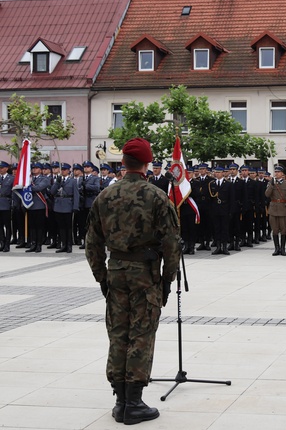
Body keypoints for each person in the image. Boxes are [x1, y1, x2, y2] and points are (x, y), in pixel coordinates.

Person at [85, 138, 180, 425]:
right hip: (145, 274)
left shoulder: (105, 196)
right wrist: (167, 281)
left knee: (118, 333)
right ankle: (133, 402)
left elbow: (92, 243)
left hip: (116, 272)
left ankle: (120, 400)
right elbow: (171, 244)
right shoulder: (156, 196)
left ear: (123, 163)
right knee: (141, 334)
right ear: (147, 163)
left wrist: (102, 277)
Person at [265, 165, 286, 256]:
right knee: (275, 229)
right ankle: (276, 248)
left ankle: (283, 248)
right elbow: (267, 194)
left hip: (283, 208)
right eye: (275, 172)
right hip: (273, 209)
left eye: (278, 172)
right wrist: (272, 185)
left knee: (283, 229)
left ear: (282, 174)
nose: (276, 173)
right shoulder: (271, 183)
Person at [0, 161, 14, 252]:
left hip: (6, 203)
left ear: (6, 168)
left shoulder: (11, 178)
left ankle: (7, 244)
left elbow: (14, 192)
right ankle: (2, 242)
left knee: (7, 225)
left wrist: (13, 204)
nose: (0, 169)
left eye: (2, 167)